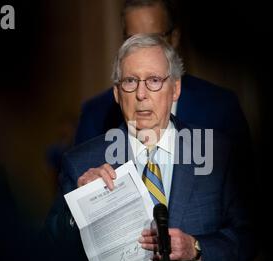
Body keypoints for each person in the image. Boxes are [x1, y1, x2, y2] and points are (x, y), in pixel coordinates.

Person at [43, 34, 256, 261]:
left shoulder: (216, 152)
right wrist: (79, 206)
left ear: (175, 88)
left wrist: (197, 248)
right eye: (131, 81)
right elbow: (50, 250)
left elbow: (249, 236)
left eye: (154, 81)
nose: (141, 94)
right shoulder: (81, 162)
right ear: (117, 93)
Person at [74, 0, 251, 152]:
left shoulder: (220, 108)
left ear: (174, 38)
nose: (144, 50)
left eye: (154, 39)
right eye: (134, 40)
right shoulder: (96, 115)